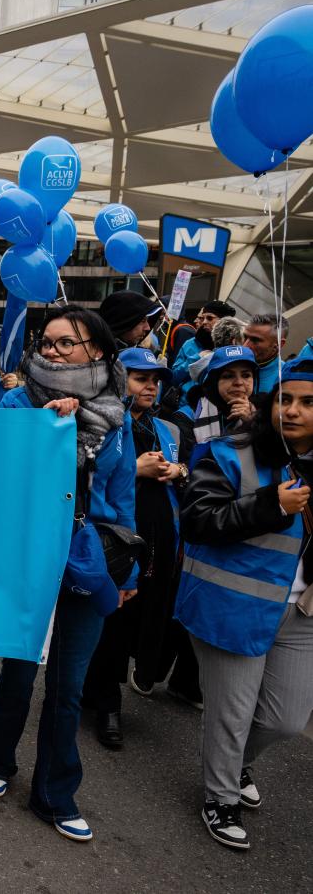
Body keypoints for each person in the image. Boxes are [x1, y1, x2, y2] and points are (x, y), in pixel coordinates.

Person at [0, 306, 136, 844]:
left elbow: (122, 495)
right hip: (30, 556)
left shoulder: (116, 413)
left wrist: (127, 566)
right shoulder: (20, 404)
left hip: (90, 560)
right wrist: (49, 433)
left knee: (69, 686)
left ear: (98, 351)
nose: (53, 351)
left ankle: (56, 793)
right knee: (20, 668)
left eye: (67, 343)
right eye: (47, 342)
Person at [175, 362, 313, 850]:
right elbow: (197, 520)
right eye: (285, 399)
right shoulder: (229, 452)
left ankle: (234, 766)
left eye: (308, 403)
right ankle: (220, 796)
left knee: (284, 720)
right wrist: (270, 506)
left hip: (302, 613)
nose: (292, 411)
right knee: (230, 716)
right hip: (233, 605)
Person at [82, 348, 195, 749]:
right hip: (115, 538)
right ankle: (106, 701)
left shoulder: (170, 429)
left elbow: (192, 473)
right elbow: (91, 481)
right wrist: (137, 469)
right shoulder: (104, 422)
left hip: (160, 542)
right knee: (114, 618)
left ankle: (101, 684)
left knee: (143, 618)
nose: (150, 386)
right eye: (140, 378)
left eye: (156, 380)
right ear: (119, 379)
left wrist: (178, 470)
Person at [190, 346, 259, 449]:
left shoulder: (266, 413)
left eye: (246, 375)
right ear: (214, 382)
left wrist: (251, 423)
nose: (239, 382)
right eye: (228, 376)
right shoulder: (189, 415)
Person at [172, 301, 236, 392]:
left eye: (210, 318)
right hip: (187, 399)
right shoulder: (190, 343)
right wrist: (196, 358)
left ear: (224, 321)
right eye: (203, 318)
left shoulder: (234, 345)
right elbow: (174, 377)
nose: (204, 322)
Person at [242, 313, 286, 394]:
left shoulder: (287, 378)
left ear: (279, 344)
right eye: (245, 337)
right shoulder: (230, 367)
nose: (245, 346)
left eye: (255, 340)